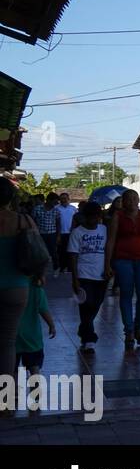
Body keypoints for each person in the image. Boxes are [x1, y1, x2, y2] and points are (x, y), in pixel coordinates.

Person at [0, 178, 44, 418]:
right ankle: (5, 401)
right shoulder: (23, 221)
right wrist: (39, 277)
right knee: (7, 344)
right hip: (17, 287)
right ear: (10, 198)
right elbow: (38, 254)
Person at [104, 189, 140, 351]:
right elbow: (111, 241)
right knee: (126, 294)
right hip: (123, 261)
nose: (131, 202)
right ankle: (129, 330)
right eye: (127, 199)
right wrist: (107, 264)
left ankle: (139, 327)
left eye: (134, 198)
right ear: (123, 201)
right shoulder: (117, 217)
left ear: (138, 200)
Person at [68, 202, 109, 353]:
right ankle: (89, 338)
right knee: (87, 304)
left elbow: (109, 250)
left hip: (101, 274)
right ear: (84, 217)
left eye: (96, 217)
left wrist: (109, 267)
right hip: (84, 274)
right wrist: (74, 278)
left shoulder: (104, 230)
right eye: (90, 217)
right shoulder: (77, 233)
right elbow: (73, 256)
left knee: (96, 304)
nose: (93, 220)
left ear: (99, 217)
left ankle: (83, 328)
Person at [15, 284, 55, 398]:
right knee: (34, 365)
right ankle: (35, 392)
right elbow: (44, 310)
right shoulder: (37, 289)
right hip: (32, 337)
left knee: (12, 366)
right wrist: (51, 325)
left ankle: (14, 393)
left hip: (12, 333)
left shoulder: (13, 285)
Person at [32, 193, 59, 277]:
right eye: (54, 202)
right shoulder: (37, 209)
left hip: (52, 234)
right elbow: (32, 221)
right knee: (39, 253)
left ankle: (56, 268)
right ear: (48, 200)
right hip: (40, 234)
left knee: (53, 252)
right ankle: (39, 271)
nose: (55, 204)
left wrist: (58, 235)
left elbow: (58, 223)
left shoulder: (56, 210)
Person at [56, 192, 76, 276]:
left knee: (70, 251)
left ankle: (70, 268)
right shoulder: (56, 208)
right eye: (62, 198)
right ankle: (62, 267)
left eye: (65, 198)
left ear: (68, 199)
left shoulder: (73, 208)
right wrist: (58, 235)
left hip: (71, 233)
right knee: (61, 251)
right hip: (60, 233)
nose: (63, 200)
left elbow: (76, 220)